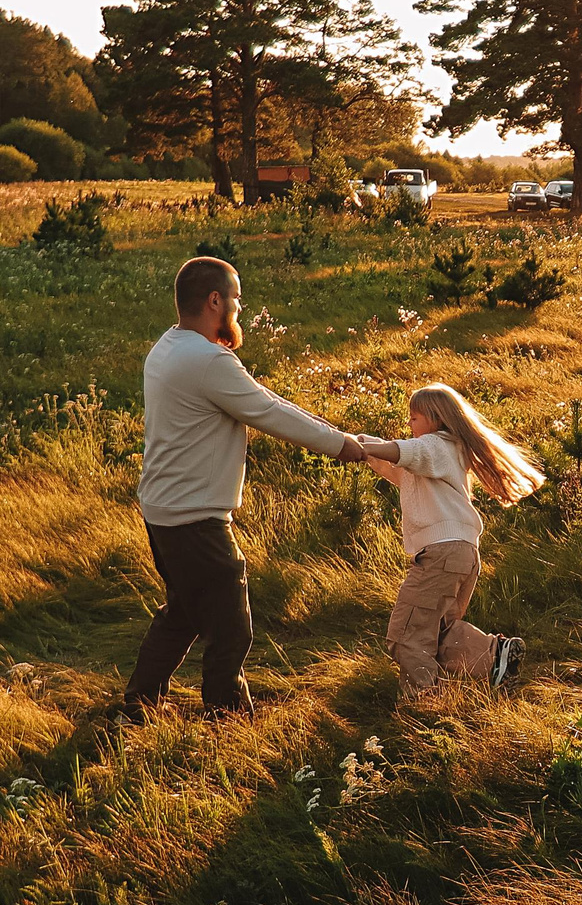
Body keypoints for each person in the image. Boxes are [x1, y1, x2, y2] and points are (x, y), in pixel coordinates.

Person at [123, 256, 353, 716]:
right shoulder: (208, 361)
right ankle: (227, 720)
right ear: (215, 300)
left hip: (163, 510)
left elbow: (266, 402)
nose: (239, 310)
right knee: (232, 628)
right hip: (193, 520)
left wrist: (338, 435)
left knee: (185, 613)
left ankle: (138, 702)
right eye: (236, 300)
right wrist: (345, 446)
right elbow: (271, 412)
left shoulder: (168, 347)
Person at [338, 383, 543, 695]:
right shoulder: (438, 457)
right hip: (460, 555)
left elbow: (404, 451)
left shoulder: (436, 446)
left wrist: (365, 449)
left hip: (441, 555)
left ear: (435, 418)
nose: (409, 423)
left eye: (414, 417)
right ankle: (495, 657)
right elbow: (397, 462)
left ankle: (427, 702)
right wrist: (355, 444)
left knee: (406, 636)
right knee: (437, 632)